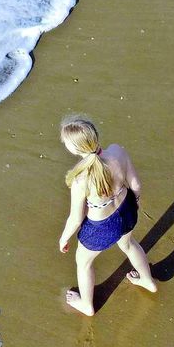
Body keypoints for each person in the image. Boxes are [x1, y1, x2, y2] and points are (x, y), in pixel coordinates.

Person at [57, 115, 157, 315]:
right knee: (129, 244)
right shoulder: (117, 152)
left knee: (83, 264)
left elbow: (76, 218)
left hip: (101, 227)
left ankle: (87, 305)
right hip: (126, 210)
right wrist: (134, 204)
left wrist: (64, 238)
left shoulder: (80, 180)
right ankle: (147, 281)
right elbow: (136, 185)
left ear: (75, 149)